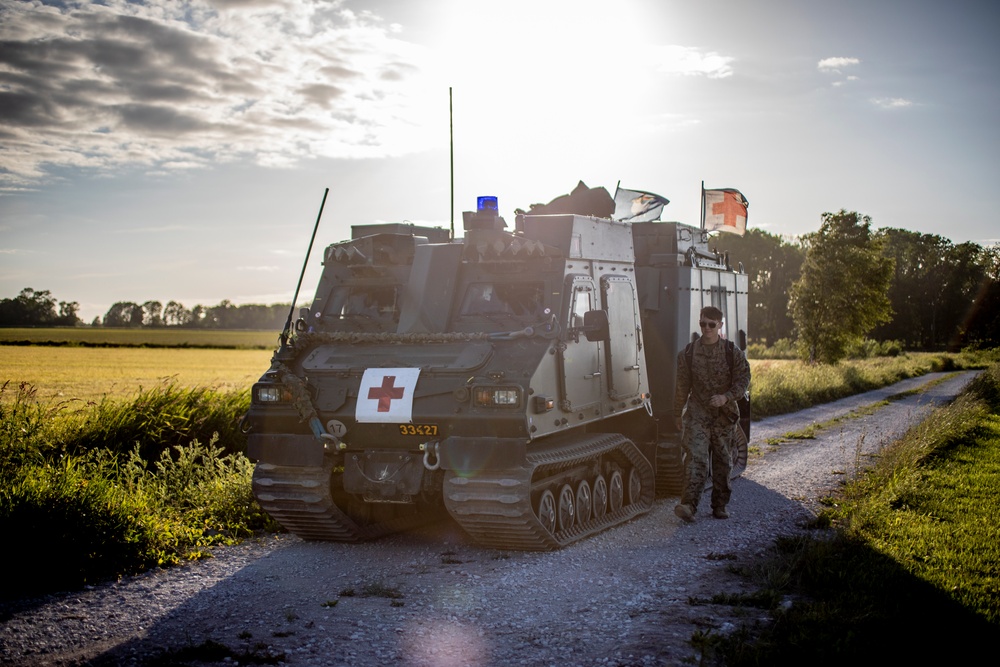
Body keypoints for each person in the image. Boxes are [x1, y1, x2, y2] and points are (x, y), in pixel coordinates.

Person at [673, 306, 751, 522]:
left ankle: (719, 504)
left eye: (711, 324)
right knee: (696, 458)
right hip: (698, 413)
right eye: (703, 323)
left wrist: (726, 397)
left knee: (722, 461)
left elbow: (744, 378)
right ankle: (689, 505)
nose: (706, 328)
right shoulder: (688, 354)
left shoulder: (730, 351)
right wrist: (677, 412)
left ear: (720, 326)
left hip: (723, 416)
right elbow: (682, 386)